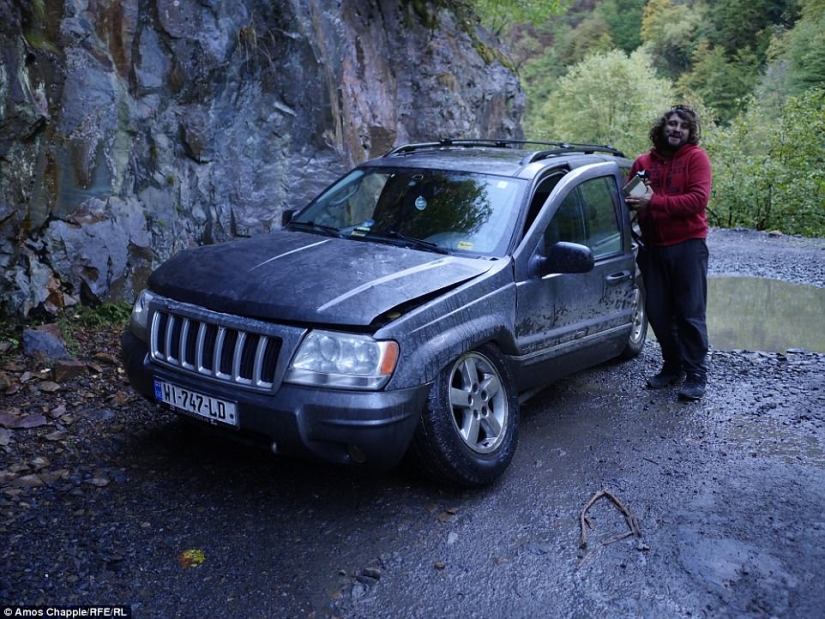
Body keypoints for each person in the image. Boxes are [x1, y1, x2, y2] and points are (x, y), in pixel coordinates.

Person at [625, 105, 712, 401]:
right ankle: (672, 367)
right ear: (662, 127)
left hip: (688, 245)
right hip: (652, 248)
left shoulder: (695, 158)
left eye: (683, 127)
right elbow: (629, 199)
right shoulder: (643, 161)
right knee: (658, 314)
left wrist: (654, 202)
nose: (676, 129)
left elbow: (697, 201)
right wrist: (633, 198)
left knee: (689, 312)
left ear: (689, 133)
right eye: (672, 124)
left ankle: (696, 374)